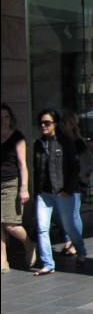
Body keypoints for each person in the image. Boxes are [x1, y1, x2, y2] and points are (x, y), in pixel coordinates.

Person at [32, 108, 87, 274]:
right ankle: (48, 263)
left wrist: (69, 189)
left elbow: (75, 166)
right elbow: (37, 169)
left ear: (55, 124)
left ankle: (81, 250)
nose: (43, 125)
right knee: (42, 227)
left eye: (47, 123)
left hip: (63, 192)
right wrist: (37, 191)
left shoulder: (66, 142)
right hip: (44, 193)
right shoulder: (38, 143)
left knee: (69, 227)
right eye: (40, 123)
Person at [1, 103, 36, 272]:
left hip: (10, 183)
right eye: (0, 117)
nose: (3, 121)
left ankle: (29, 245)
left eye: (6, 117)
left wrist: (24, 188)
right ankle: (3, 260)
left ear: (11, 119)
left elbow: (23, 165)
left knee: (10, 225)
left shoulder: (17, 137)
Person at [57, 112, 93, 257]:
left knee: (73, 214)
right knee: (63, 215)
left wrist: (81, 180)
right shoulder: (60, 141)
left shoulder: (77, 142)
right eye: (61, 123)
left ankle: (73, 244)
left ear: (72, 125)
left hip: (76, 184)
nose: (62, 126)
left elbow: (88, 163)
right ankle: (69, 241)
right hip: (63, 183)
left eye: (65, 123)